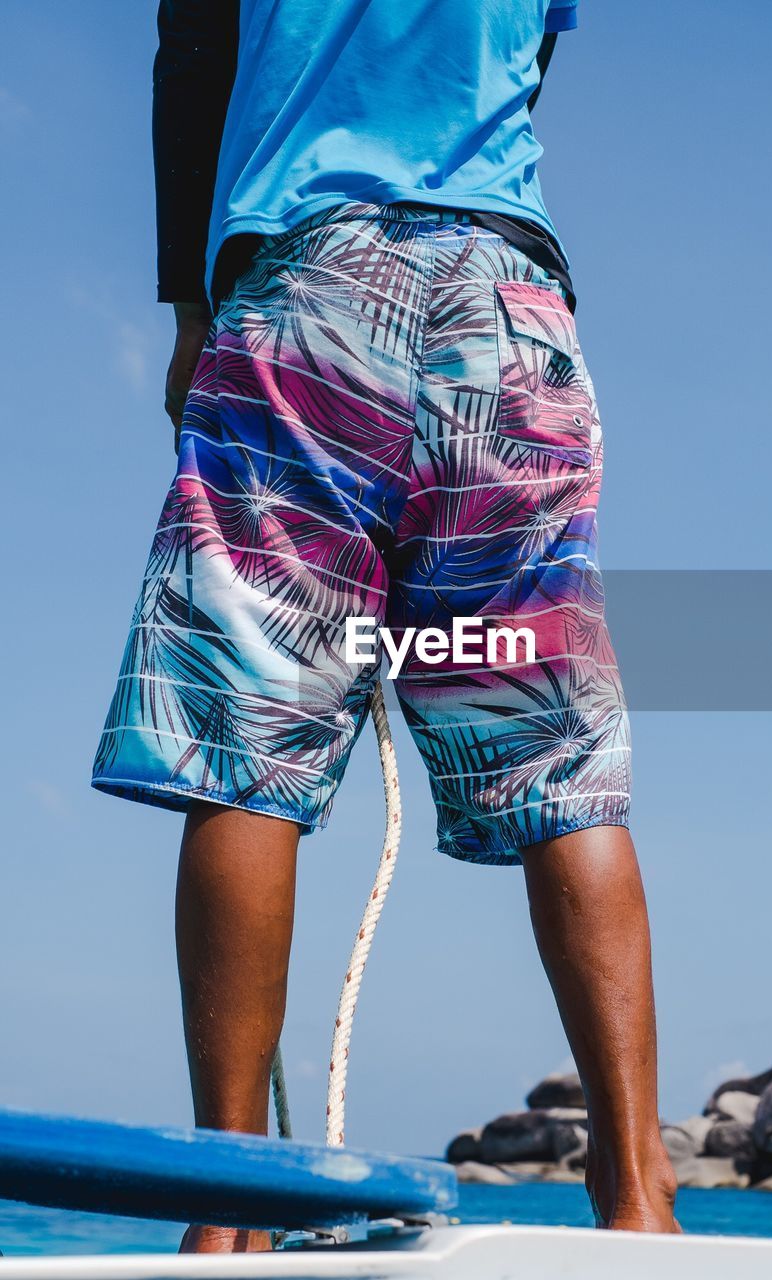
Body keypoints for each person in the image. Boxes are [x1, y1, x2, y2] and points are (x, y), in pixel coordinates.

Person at [92, 0, 678, 1252]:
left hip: (305, 296)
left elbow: (190, 60)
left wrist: (191, 312)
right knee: (557, 757)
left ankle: (227, 1212)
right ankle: (640, 1201)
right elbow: (527, 63)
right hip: (508, 309)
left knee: (244, 738)